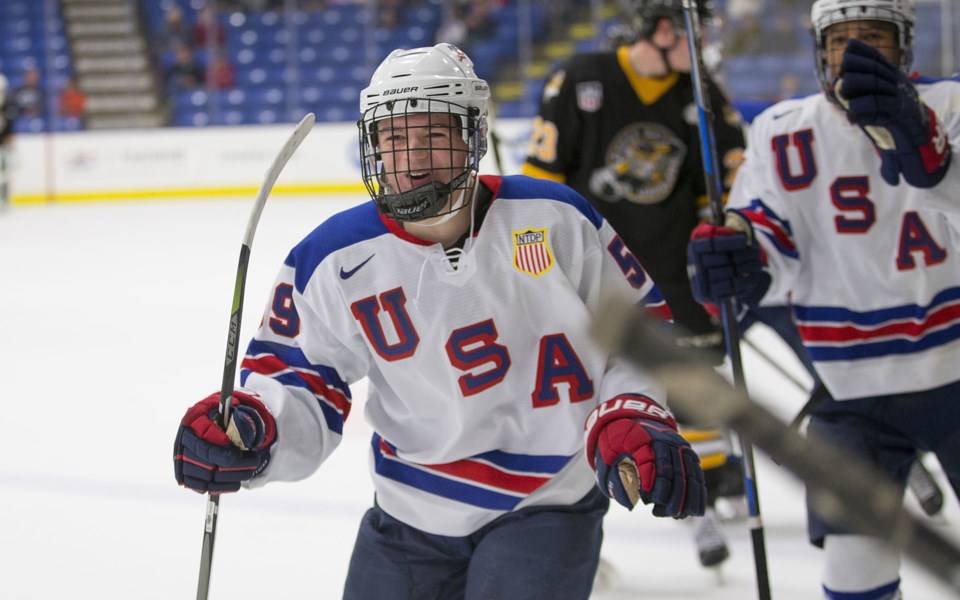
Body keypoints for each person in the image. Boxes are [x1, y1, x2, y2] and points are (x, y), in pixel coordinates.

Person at [173, 43, 707, 599]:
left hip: (549, 499)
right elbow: (298, 381)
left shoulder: (557, 219)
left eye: (433, 135)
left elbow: (641, 337)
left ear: (472, 136)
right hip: (410, 513)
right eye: (394, 138)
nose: (411, 160)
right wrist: (253, 429)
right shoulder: (332, 257)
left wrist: (632, 408)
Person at [686, 1, 960, 598]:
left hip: (956, 366)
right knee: (853, 571)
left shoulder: (952, 106)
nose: (855, 54)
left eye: (873, 38)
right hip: (850, 389)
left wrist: (932, 158)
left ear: (905, 46)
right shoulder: (782, 129)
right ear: (819, 49)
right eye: (841, 40)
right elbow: (771, 244)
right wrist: (739, 260)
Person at [520, 0, 746, 568]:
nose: (701, 42)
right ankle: (566, 528)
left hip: (676, 274)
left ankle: (704, 501)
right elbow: (540, 183)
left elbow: (721, 188)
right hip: (593, 278)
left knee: (693, 390)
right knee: (572, 402)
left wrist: (724, 239)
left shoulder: (701, 93)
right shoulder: (580, 78)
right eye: (691, 29)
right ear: (665, 28)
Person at [0, 72, 14, 210]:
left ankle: (4, 199)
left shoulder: (7, 111)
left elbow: (9, 130)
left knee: (4, 173)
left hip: (2, 147)